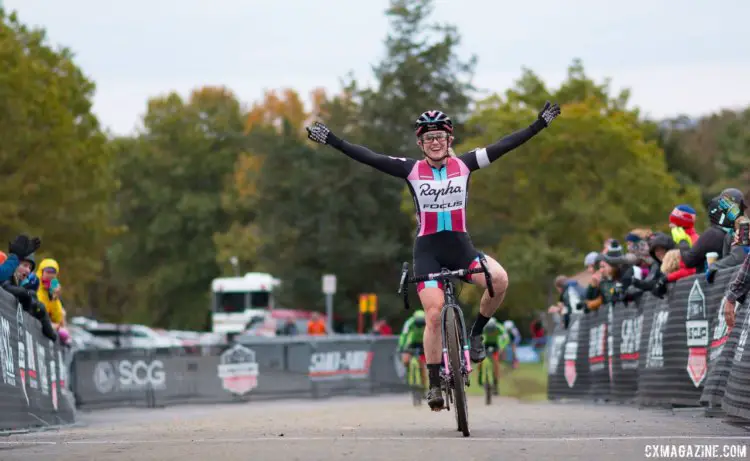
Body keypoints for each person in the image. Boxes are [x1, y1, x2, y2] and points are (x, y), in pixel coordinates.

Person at [306, 102, 561, 410]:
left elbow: (504, 145)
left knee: (500, 279)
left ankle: (476, 333)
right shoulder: (411, 170)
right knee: (433, 313)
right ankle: (435, 384)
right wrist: (332, 139)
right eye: (429, 139)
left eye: (440, 136)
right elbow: (369, 157)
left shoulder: (465, 165)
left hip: (461, 249)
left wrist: (539, 125)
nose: (435, 142)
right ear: (420, 143)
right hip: (427, 253)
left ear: (449, 139)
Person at [397, 309, 427, 390]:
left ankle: (424, 386)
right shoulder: (409, 322)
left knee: (423, 366)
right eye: (418, 323)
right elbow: (404, 335)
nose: (420, 325)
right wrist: (401, 346)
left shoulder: (427, 322)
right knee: (405, 360)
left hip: (423, 343)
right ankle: (408, 373)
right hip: (412, 343)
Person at [479, 317, 509, 395]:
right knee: (480, 361)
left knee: (496, 363)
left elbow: (506, 338)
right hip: (486, 344)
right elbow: (477, 337)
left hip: (495, 345)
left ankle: (495, 383)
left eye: (492, 330)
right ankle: (480, 378)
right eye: (489, 330)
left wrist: (502, 348)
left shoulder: (499, 327)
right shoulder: (483, 327)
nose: (491, 332)